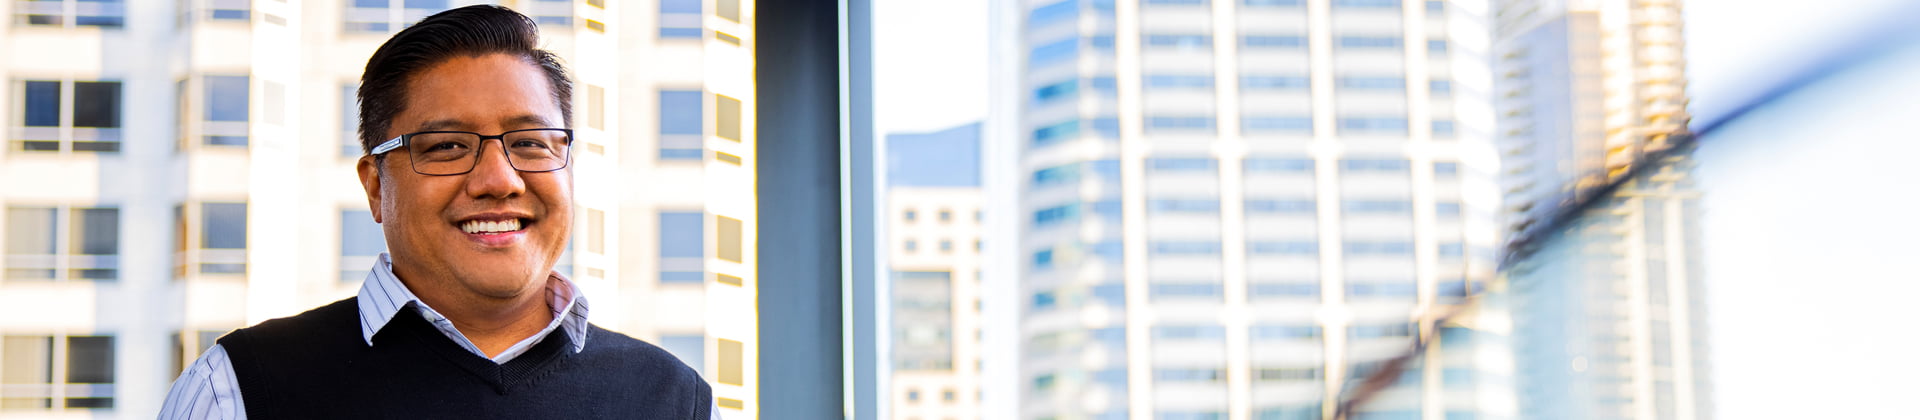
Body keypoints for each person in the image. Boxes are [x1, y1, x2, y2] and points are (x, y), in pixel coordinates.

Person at [158, 5, 716, 419]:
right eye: (447, 146)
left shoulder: (673, 400)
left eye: (530, 142)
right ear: (375, 187)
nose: (499, 179)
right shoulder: (241, 389)